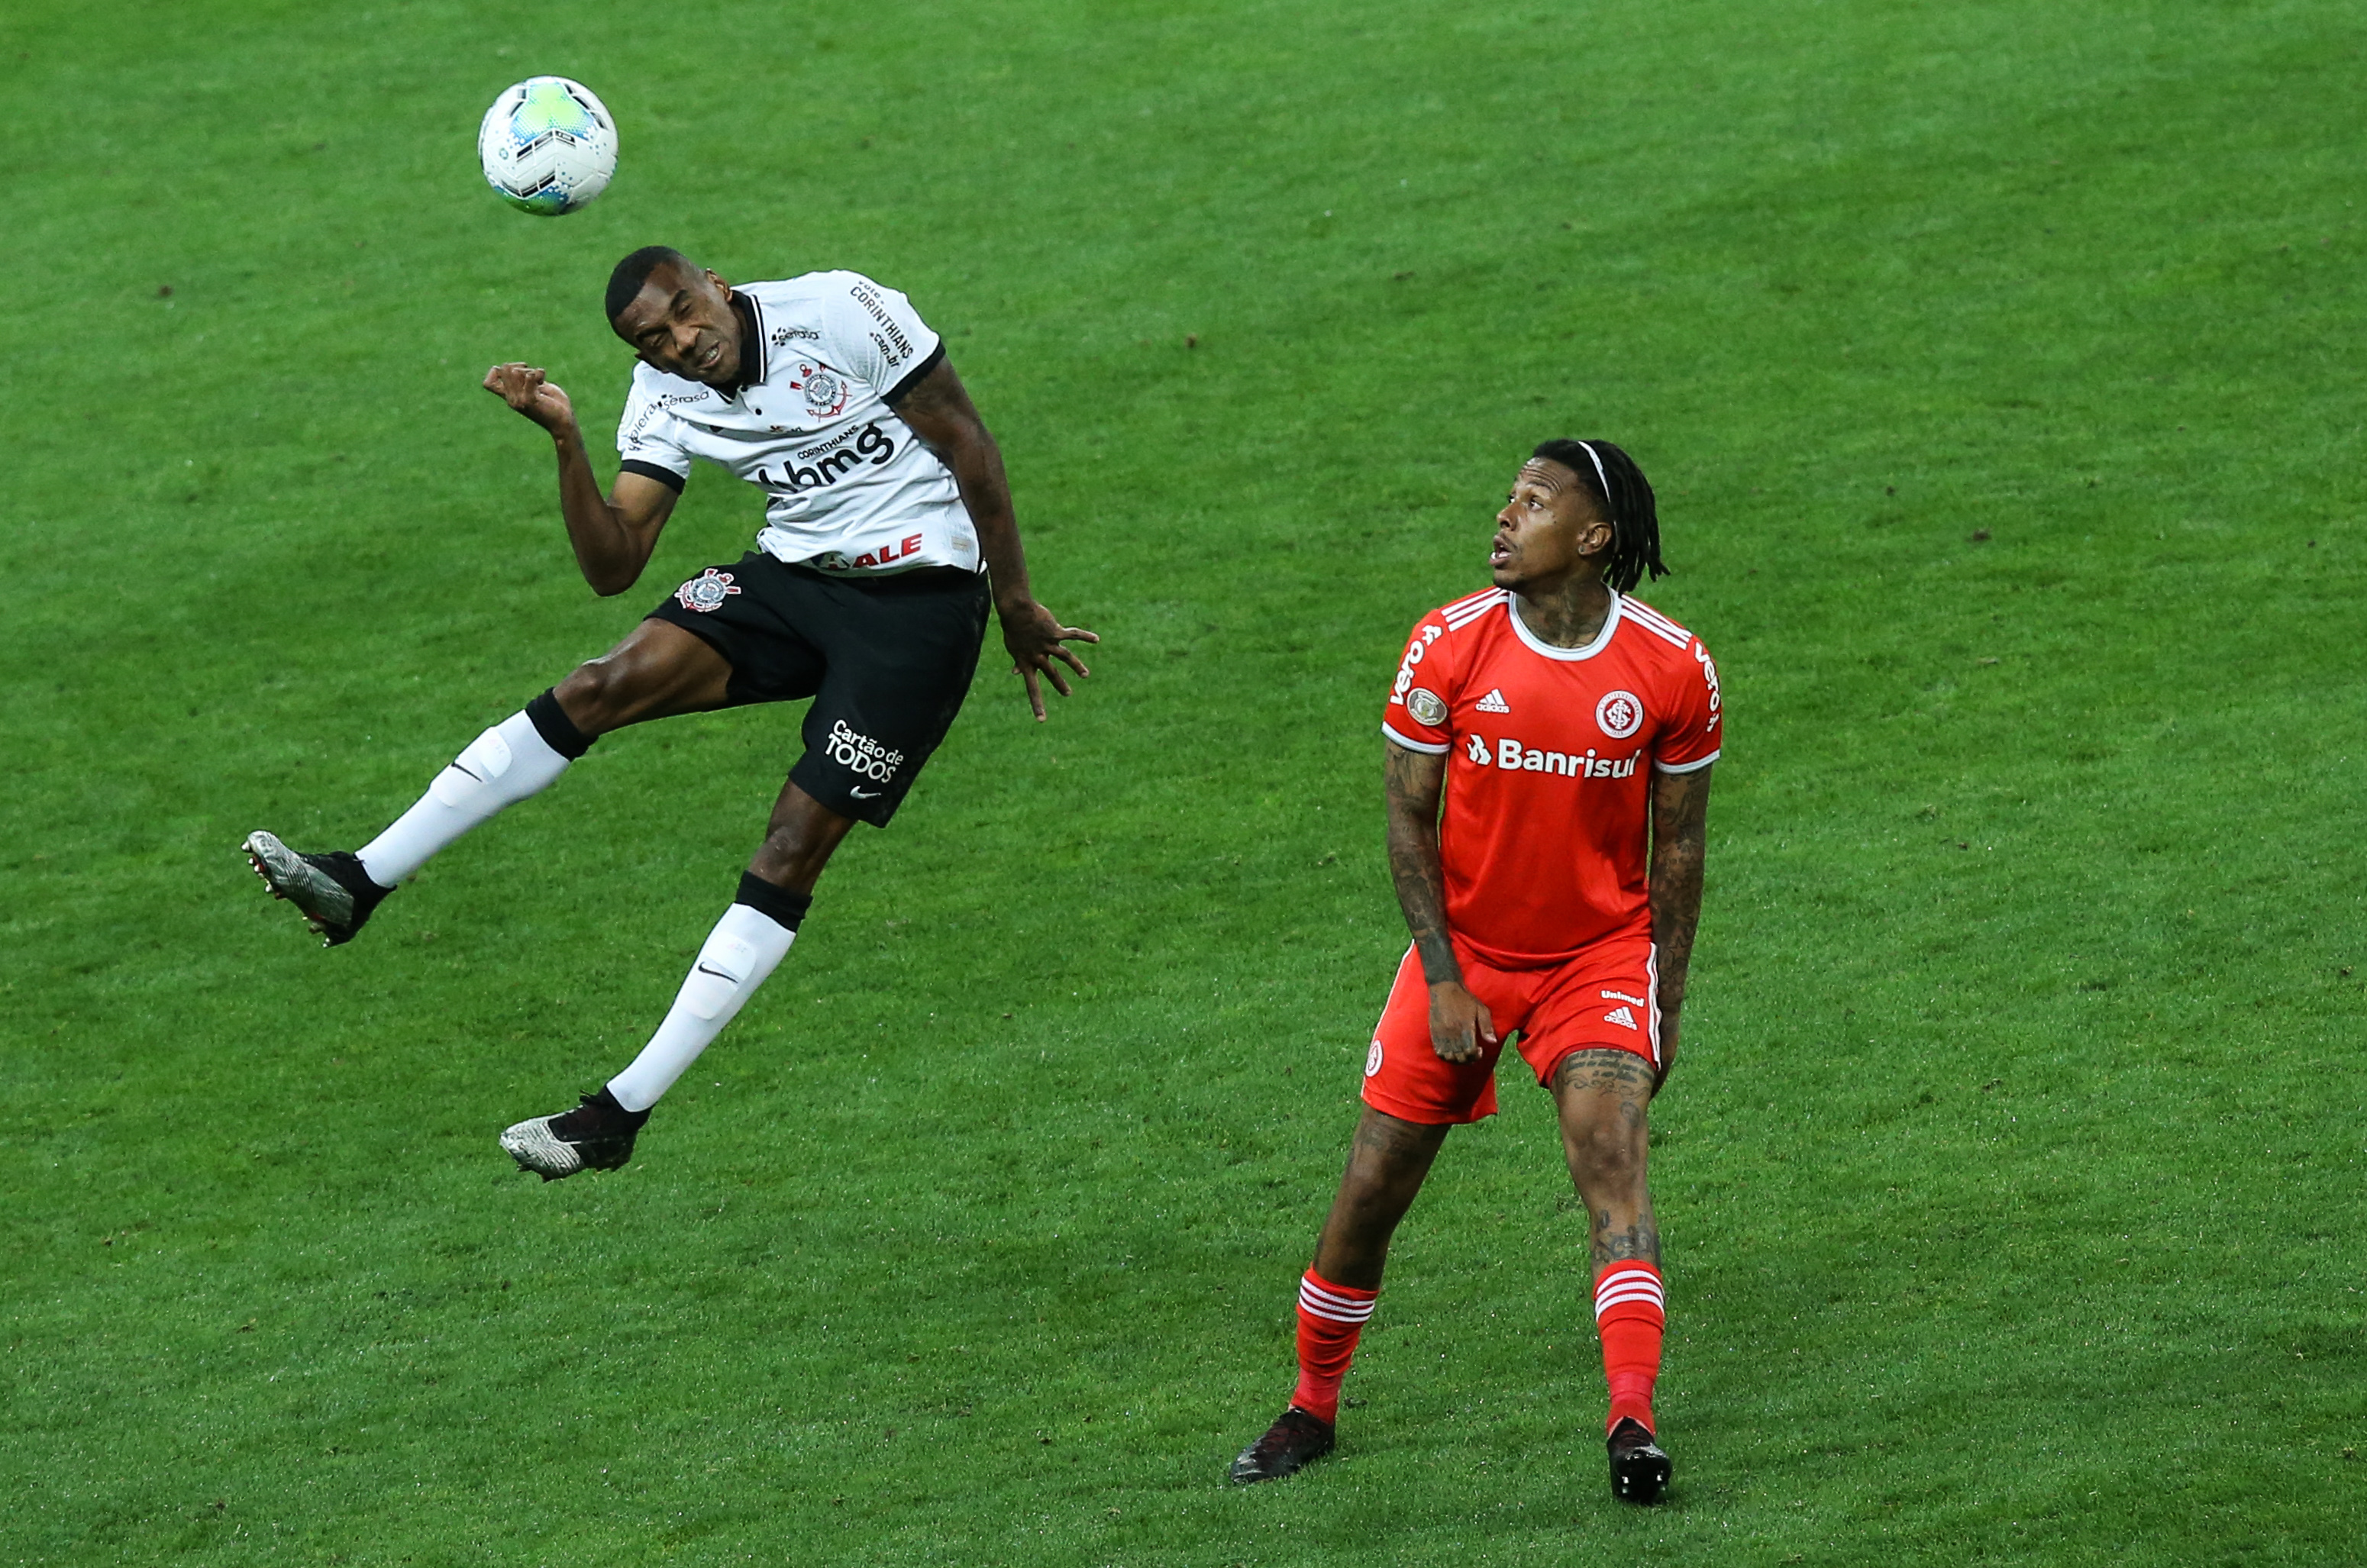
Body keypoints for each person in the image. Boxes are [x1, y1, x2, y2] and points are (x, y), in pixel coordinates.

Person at [244, 247, 1095, 1180]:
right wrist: (566, 441)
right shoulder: (662, 395)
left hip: (920, 604)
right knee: (596, 685)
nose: (683, 343)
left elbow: (967, 441)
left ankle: (618, 1112)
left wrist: (1013, 602)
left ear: (719, 287)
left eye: (687, 313)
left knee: (789, 845)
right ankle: (358, 881)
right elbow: (614, 561)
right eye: (654, 340)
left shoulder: (842, 311)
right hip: (797, 578)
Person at [1227, 440, 1719, 1503]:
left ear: (1594, 538)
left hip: (1595, 960)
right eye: (1510, 497)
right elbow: (1407, 815)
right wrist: (1445, 976)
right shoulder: (1447, 643)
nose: (1504, 515)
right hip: (1468, 953)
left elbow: (1679, 847)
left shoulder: (1674, 667)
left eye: (1534, 502)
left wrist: (1663, 1000)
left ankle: (1632, 1419)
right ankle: (1312, 1406)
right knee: (1372, 1184)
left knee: (1612, 1164)